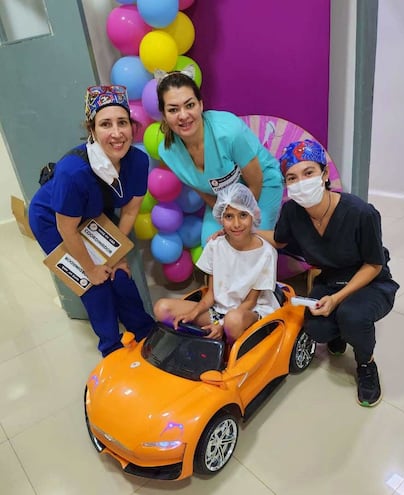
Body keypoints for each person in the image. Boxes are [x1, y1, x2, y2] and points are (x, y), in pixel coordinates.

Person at [261, 139, 399, 407]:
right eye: (292, 177)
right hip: (331, 279)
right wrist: (242, 231)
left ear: (324, 174)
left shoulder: (361, 213)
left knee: (352, 316)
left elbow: (374, 265)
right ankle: (339, 331)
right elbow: (279, 240)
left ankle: (366, 365)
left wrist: (337, 300)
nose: (301, 182)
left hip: (369, 280)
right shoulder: (292, 212)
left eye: (308, 173)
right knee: (316, 328)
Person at [28, 84, 155, 357]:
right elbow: (66, 227)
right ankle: (111, 347)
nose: (117, 133)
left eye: (123, 122)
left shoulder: (139, 162)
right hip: (54, 220)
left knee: (120, 274)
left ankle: (146, 333)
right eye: (105, 124)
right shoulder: (73, 172)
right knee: (95, 286)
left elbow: (130, 211)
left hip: (95, 211)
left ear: (133, 126)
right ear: (92, 130)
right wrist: (91, 268)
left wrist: (115, 255)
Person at [156, 66, 284, 244]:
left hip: (261, 186)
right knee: (212, 246)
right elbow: (200, 188)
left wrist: (237, 222)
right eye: (173, 110)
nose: (183, 115)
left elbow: (256, 180)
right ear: (163, 115)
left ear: (201, 104)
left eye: (190, 105)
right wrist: (225, 215)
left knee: (250, 244)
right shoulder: (168, 152)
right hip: (222, 199)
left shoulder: (228, 131)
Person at [153, 183, 280, 344]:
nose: (236, 224)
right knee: (161, 308)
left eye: (242, 215)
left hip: (249, 312)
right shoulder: (215, 245)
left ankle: (228, 345)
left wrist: (222, 325)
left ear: (252, 216)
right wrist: (193, 313)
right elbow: (212, 294)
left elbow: (250, 301)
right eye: (229, 216)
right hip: (219, 311)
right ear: (221, 218)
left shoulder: (266, 253)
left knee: (232, 321)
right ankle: (206, 339)